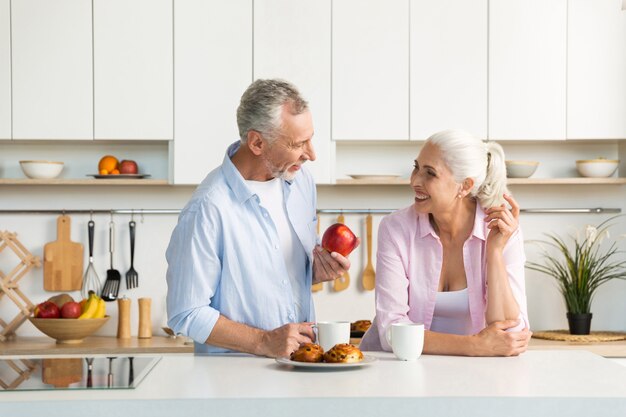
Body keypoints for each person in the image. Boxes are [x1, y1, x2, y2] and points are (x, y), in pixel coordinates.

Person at [166, 79, 356, 357]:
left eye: (310, 139)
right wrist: (264, 341)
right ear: (257, 142)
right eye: (298, 144)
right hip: (234, 382)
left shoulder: (300, 182)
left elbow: (282, 276)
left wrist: (316, 270)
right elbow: (186, 312)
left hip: (299, 366)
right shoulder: (208, 208)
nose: (312, 155)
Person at [360, 129, 531, 356]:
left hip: (473, 373)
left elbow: (511, 334)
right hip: (398, 368)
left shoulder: (500, 230)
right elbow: (391, 331)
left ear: (465, 185)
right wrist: (474, 345)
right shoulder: (395, 228)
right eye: (416, 167)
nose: (414, 181)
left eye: (430, 173)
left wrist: (494, 252)